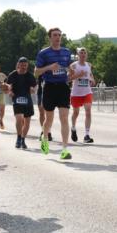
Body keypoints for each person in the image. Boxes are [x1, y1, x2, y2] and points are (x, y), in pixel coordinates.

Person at [34, 28, 73, 160]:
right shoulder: (43, 53)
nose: (58, 37)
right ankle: (45, 139)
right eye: (55, 35)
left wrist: (71, 72)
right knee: (49, 118)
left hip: (63, 87)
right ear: (50, 38)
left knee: (64, 118)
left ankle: (64, 150)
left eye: (59, 35)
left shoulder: (66, 52)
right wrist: (49, 67)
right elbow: (36, 72)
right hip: (49, 87)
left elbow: (68, 69)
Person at [5, 57, 38, 149]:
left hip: (28, 100)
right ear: (18, 65)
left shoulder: (30, 76)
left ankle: (23, 139)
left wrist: (33, 90)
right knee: (19, 119)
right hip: (17, 100)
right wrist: (9, 92)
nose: (24, 67)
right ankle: (18, 138)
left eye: (25, 65)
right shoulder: (13, 75)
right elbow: (7, 86)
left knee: (27, 122)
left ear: (27, 65)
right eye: (22, 65)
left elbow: (35, 86)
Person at [69, 47, 95, 144]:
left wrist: (92, 80)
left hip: (87, 92)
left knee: (88, 112)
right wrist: (78, 76)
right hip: (76, 93)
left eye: (85, 53)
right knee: (76, 113)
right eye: (81, 53)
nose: (83, 54)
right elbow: (68, 78)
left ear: (86, 55)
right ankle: (73, 128)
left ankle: (87, 135)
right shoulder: (73, 65)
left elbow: (90, 74)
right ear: (78, 55)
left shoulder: (89, 65)